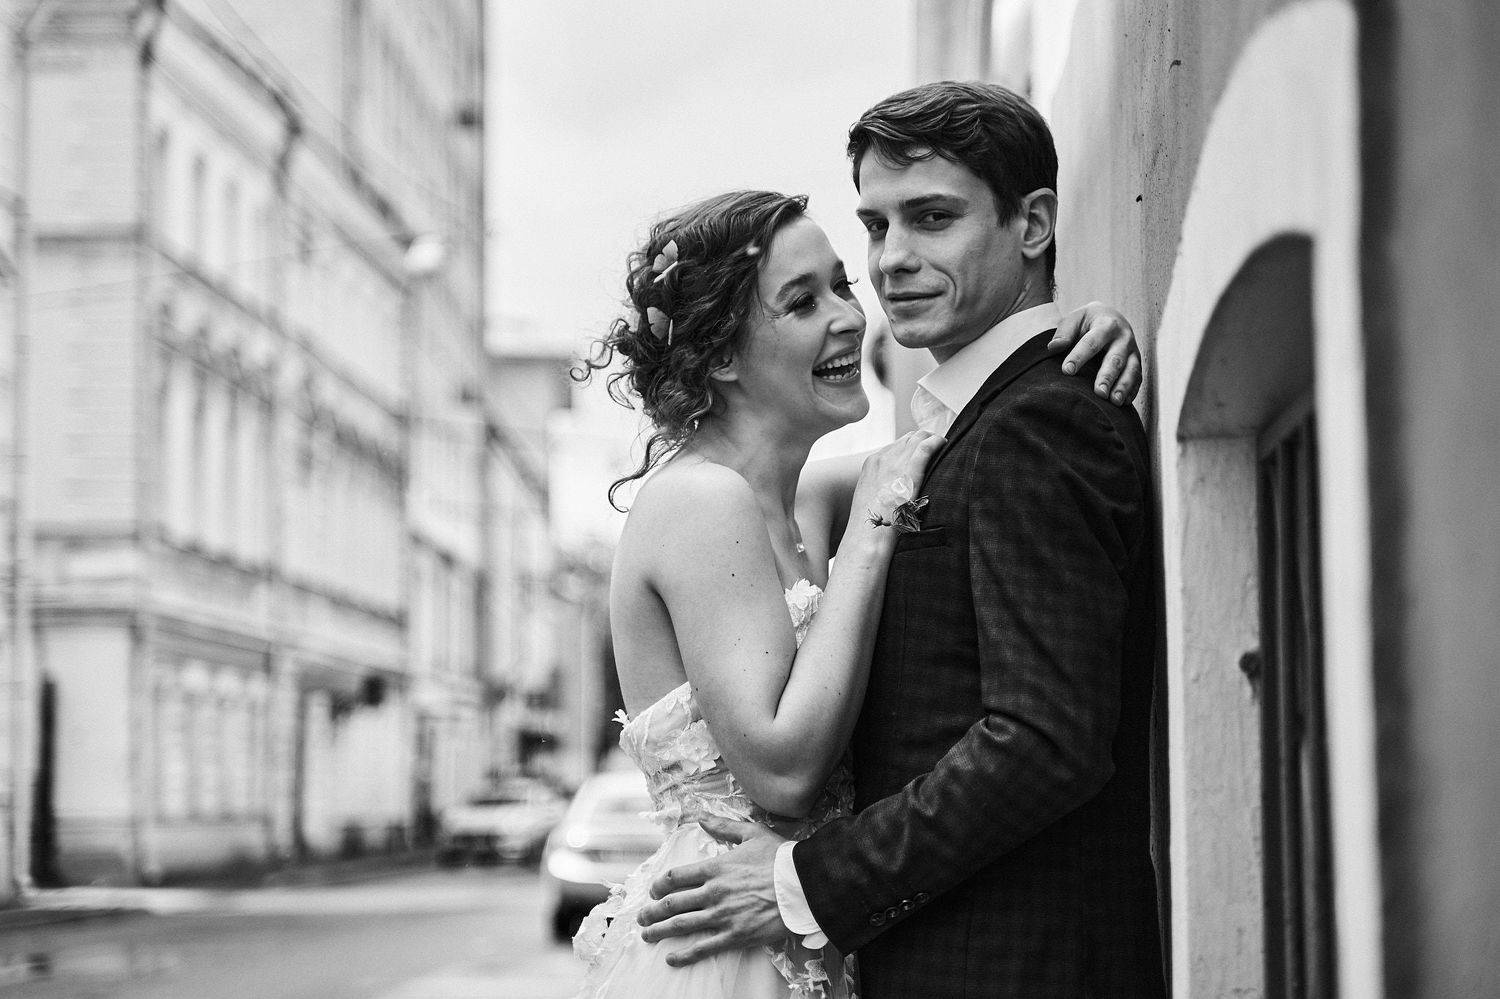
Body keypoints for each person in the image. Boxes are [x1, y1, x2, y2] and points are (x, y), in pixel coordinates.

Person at [636, 82, 1167, 998]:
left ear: (1034, 224)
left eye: (932, 218)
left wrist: (809, 883)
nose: (887, 267)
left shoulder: (1037, 422)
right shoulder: (916, 454)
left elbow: (1046, 738)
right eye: (877, 228)